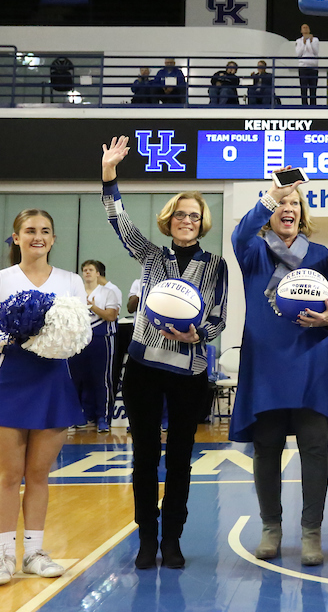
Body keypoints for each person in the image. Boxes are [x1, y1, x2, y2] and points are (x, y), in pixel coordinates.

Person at [101, 135, 228, 570]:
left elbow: (220, 317)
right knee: (143, 459)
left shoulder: (215, 265)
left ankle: (172, 539)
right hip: (143, 371)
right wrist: (109, 176)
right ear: (169, 219)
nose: (187, 220)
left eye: (194, 215)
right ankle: (146, 539)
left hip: (189, 374)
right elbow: (120, 223)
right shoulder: (151, 256)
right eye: (180, 214)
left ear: (201, 222)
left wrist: (201, 335)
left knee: (179, 461)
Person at [0, 208, 86, 586]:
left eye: (46, 231)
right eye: (30, 230)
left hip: (53, 381)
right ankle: (3, 557)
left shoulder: (71, 281)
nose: (38, 236)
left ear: (52, 239)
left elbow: (84, 334)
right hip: (11, 379)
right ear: (15, 237)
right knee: (9, 475)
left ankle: (33, 552)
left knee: (38, 475)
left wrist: (52, 339)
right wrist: (9, 337)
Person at [231, 170, 328, 566]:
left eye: (294, 204)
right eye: (282, 204)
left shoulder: (319, 255)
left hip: (312, 362)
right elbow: (239, 233)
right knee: (266, 448)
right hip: (265, 363)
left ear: (302, 214)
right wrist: (270, 193)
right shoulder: (253, 251)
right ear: (270, 212)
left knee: (315, 448)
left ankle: (311, 531)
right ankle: (271, 528)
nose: (288, 209)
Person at [68, 260, 119, 433]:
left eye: (91, 270)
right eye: (84, 270)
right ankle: (75, 416)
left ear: (98, 273)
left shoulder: (108, 292)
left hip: (100, 338)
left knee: (101, 380)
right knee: (75, 379)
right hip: (78, 338)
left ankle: (103, 417)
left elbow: (111, 316)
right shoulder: (75, 292)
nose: (87, 272)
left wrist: (93, 306)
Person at [295, 23, 320, 106]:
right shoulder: (298, 41)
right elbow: (299, 54)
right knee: (303, 89)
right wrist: (304, 42)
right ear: (301, 31)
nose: (305, 29)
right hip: (303, 67)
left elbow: (315, 52)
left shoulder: (315, 40)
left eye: (307, 27)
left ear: (309, 30)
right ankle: (304, 106)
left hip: (313, 68)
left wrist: (311, 41)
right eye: (303, 27)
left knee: (313, 90)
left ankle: (313, 106)